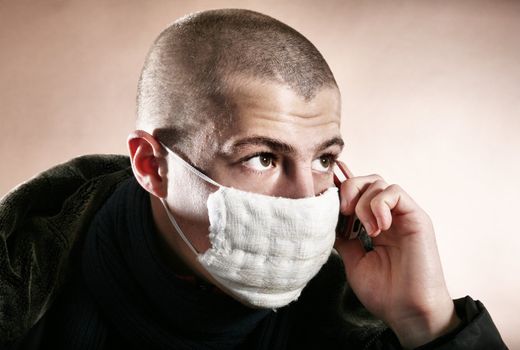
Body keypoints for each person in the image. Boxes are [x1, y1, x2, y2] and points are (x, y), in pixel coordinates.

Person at [0, 9, 507, 350]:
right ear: (153, 166)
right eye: (263, 158)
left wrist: (428, 324)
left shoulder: (357, 311)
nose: (307, 199)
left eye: (324, 160)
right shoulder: (22, 287)